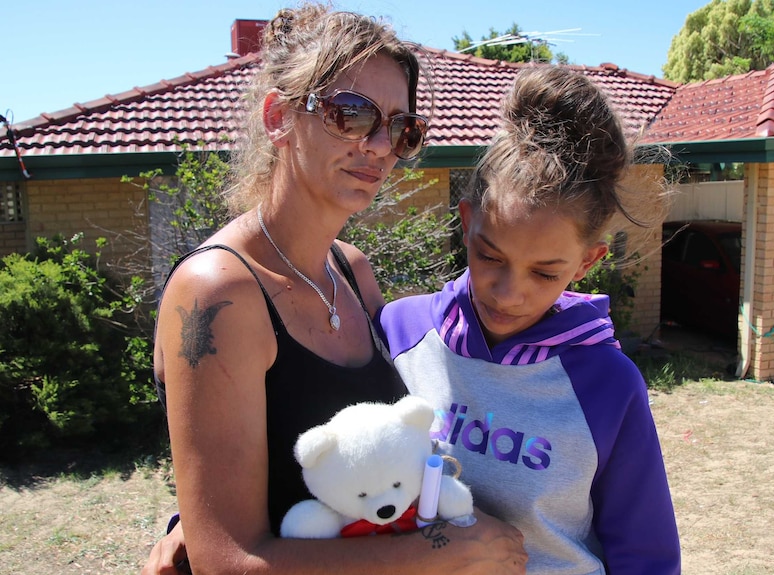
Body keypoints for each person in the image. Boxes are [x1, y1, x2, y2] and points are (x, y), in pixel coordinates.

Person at [143, 3, 527, 574]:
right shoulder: (216, 294)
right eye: (352, 114)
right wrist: (446, 551)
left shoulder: (352, 271)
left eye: (402, 128)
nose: (379, 146)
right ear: (278, 117)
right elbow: (227, 560)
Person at [376, 66, 681, 574]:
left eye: (544, 272)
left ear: (586, 262)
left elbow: (646, 555)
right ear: (467, 223)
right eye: (490, 256)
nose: (508, 293)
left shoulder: (607, 384)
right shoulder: (399, 332)